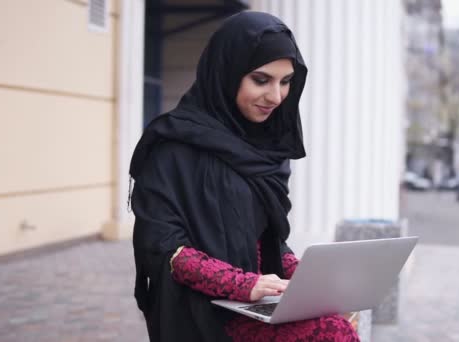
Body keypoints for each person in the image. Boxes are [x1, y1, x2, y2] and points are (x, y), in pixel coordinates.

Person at [129, 11, 360, 342]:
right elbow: (164, 247)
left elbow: (267, 240)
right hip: (203, 307)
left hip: (254, 301)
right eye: (261, 80)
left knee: (338, 319)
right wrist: (240, 284)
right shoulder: (172, 147)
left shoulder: (265, 150)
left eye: (286, 82)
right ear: (227, 73)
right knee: (330, 333)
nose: (276, 97)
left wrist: (307, 281)